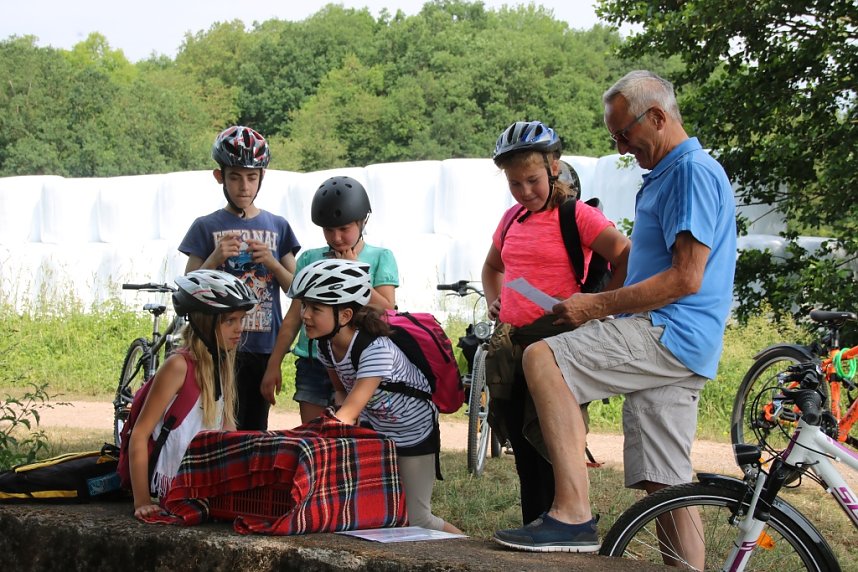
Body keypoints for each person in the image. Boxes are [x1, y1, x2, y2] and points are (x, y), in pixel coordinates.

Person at [493, 70, 737, 562]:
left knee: (543, 359)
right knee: (665, 482)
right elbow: (652, 266)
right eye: (614, 138)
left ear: (659, 116)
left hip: (670, 330)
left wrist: (596, 304)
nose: (623, 147)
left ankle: (573, 514)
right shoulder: (669, 174)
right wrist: (601, 304)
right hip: (684, 340)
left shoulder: (690, 172)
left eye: (626, 134)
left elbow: (687, 277)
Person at [481, 120, 630, 526]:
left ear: (553, 166)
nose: (524, 192)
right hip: (511, 346)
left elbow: (625, 255)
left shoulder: (576, 216)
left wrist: (600, 306)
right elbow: (492, 266)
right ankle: (536, 527)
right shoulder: (511, 220)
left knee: (553, 444)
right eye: (514, 184)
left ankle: (566, 526)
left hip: (555, 347)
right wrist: (496, 298)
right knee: (524, 453)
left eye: (531, 180)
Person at [287, 258, 461, 533]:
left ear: (344, 316)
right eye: (305, 305)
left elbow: (349, 412)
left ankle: (469, 551)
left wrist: (305, 439)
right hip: (377, 429)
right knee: (375, 513)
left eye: (315, 308)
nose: (305, 314)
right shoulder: (325, 346)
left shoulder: (375, 349)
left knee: (418, 519)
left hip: (412, 432)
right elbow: (342, 393)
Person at [179, 125, 300, 430]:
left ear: (262, 178)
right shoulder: (205, 226)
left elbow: (297, 289)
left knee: (254, 429)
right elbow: (187, 288)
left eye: (251, 177)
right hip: (216, 346)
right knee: (215, 424)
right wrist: (215, 258)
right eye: (234, 177)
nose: (243, 186)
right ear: (219, 177)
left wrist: (272, 263)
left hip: (262, 347)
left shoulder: (278, 226)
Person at [261, 176, 398, 422]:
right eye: (329, 230)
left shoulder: (380, 257)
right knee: (315, 434)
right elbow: (293, 318)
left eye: (344, 229)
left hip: (358, 362)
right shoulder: (309, 260)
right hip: (313, 361)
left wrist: (355, 270)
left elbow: (387, 310)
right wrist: (274, 363)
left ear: (362, 221)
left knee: (351, 434)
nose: (336, 238)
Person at [130, 269, 258, 520]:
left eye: (241, 320)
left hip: (202, 485)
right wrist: (142, 501)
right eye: (230, 321)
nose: (239, 329)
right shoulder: (178, 366)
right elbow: (140, 434)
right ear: (204, 322)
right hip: (170, 488)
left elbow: (227, 429)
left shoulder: (222, 363)